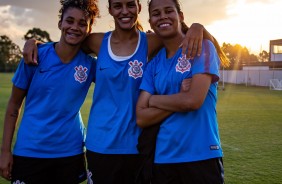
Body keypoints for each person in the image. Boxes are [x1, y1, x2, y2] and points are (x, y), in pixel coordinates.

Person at [22, 1, 219, 183]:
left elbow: (183, 35)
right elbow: (68, 40)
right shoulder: (96, 42)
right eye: (117, 5)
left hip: (137, 145)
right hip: (100, 144)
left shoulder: (152, 41)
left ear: (139, 8)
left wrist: (198, 27)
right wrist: (36, 44)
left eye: (130, 5)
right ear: (110, 10)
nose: (124, 11)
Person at [0, 0, 99, 183]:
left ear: (89, 30)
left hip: (71, 153)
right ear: (60, 23)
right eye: (69, 21)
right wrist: (5, 151)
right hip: (30, 152)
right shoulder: (35, 56)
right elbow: (14, 104)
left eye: (82, 23)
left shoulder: (91, 65)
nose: (74, 27)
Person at [136, 0, 230, 183]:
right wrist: (179, 96)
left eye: (168, 10)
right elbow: (141, 117)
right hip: (163, 158)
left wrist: (154, 100)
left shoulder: (203, 47)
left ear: (180, 16)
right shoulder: (153, 64)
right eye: (156, 13)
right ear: (151, 22)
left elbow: (193, 102)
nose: (162, 16)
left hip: (202, 155)